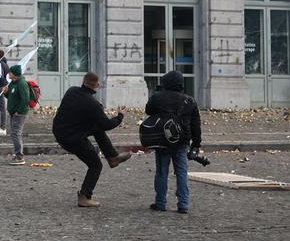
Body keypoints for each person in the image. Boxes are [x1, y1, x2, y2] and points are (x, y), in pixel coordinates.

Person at [52, 72, 132, 208]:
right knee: (96, 165)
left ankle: (112, 157)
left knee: (97, 127)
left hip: (60, 130)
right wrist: (120, 116)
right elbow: (107, 124)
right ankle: (84, 196)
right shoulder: (92, 104)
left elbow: (81, 107)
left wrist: (95, 106)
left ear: (83, 81)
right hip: (72, 138)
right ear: (97, 85)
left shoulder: (71, 91)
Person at [145, 70, 202, 213]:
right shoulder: (189, 101)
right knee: (182, 172)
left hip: (163, 139)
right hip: (182, 141)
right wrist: (196, 144)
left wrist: (158, 96)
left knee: (162, 172)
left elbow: (148, 111)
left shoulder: (158, 98)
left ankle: (160, 203)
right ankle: (183, 204)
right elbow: (196, 125)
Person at [3, 64, 31, 165]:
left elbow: (25, 99)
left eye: (10, 72)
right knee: (14, 133)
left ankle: (19, 156)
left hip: (19, 114)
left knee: (16, 133)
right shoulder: (13, 83)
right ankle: (16, 154)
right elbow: (11, 96)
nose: (8, 74)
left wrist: (18, 112)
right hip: (13, 113)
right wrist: (5, 93)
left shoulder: (22, 84)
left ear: (14, 74)